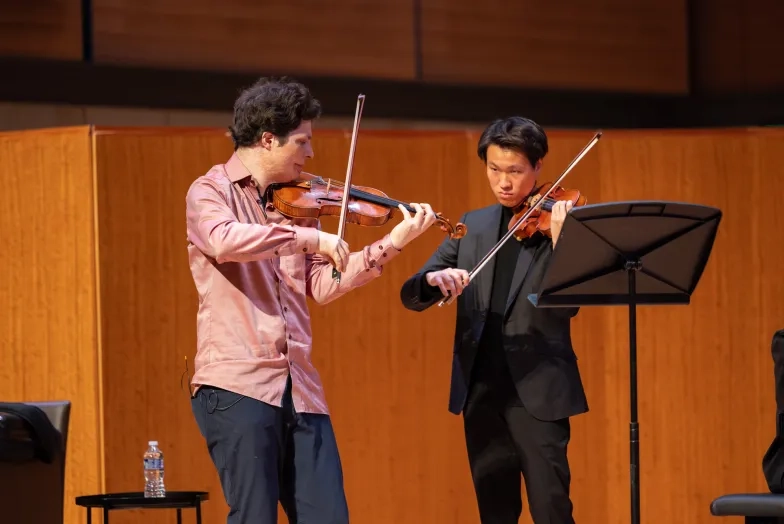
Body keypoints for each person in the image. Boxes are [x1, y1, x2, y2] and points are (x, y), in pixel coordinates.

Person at [185, 76, 439, 524]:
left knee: (329, 518)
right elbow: (222, 240)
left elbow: (322, 285)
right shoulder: (210, 192)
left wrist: (393, 242)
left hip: (299, 388)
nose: (311, 154)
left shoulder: (294, 206)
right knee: (254, 518)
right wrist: (307, 237)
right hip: (238, 385)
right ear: (268, 140)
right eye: (302, 142)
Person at [399, 116, 589, 524]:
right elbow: (413, 291)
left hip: (537, 392)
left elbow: (568, 305)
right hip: (481, 392)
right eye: (494, 169)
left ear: (538, 168)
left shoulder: (560, 223)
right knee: (495, 513)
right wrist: (434, 279)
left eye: (515, 172)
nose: (504, 182)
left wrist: (563, 245)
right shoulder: (476, 224)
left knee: (552, 509)